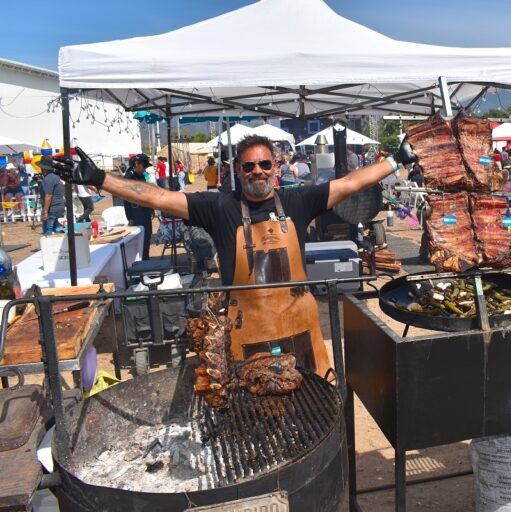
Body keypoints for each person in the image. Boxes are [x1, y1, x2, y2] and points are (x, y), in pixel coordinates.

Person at [49, 134, 409, 374]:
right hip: (248, 331)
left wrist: (396, 161)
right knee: (252, 400)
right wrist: (99, 178)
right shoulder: (219, 207)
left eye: (265, 164)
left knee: (312, 392)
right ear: (238, 170)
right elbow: (157, 197)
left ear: (276, 167)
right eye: (249, 166)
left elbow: (351, 183)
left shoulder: (300, 200)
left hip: (301, 326)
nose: (258, 172)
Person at [124, 153, 155, 259]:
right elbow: (126, 199)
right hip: (136, 213)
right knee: (140, 238)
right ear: (137, 163)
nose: (145, 169)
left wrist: (151, 208)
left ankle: (146, 258)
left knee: (147, 235)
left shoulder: (141, 175)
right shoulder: (129, 177)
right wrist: (130, 218)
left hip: (145, 211)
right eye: (144, 166)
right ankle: (142, 260)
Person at [40, 161, 65, 236]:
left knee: (48, 231)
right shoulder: (58, 177)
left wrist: (45, 212)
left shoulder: (48, 179)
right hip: (60, 207)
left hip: (52, 208)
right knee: (58, 230)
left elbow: (48, 196)